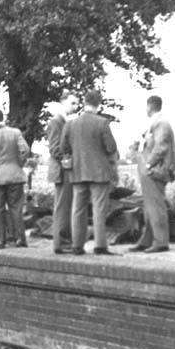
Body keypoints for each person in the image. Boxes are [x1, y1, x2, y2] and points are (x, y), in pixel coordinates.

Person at [61, 89, 118, 255]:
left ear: (84, 103)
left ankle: (77, 246)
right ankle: (100, 246)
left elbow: (64, 148)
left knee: (78, 209)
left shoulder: (70, 124)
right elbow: (111, 147)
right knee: (99, 209)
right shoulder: (102, 123)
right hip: (99, 172)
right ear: (98, 104)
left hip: (78, 172)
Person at [130, 95, 175, 254]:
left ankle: (161, 242)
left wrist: (148, 164)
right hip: (152, 171)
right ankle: (147, 240)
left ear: (150, 107)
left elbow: (161, 147)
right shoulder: (156, 124)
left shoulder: (161, 123)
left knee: (156, 206)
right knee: (149, 206)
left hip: (155, 171)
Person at [0, 109, 30, 249]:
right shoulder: (15, 133)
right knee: (16, 208)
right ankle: (20, 239)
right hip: (15, 175)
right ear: (3, 118)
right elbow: (25, 150)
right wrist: (18, 163)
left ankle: (0, 241)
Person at [47, 92, 79, 254]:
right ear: (62, 102)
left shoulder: (67, 121)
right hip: (62, 170)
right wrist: (69, 158)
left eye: (77, 104)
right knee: (63, 206)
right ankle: (61, 242)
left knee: (68, 205)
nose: (76, 107)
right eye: (72, 103)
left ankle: (66, 241)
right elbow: (54, 148)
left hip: (66, 169)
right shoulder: (55, 122)